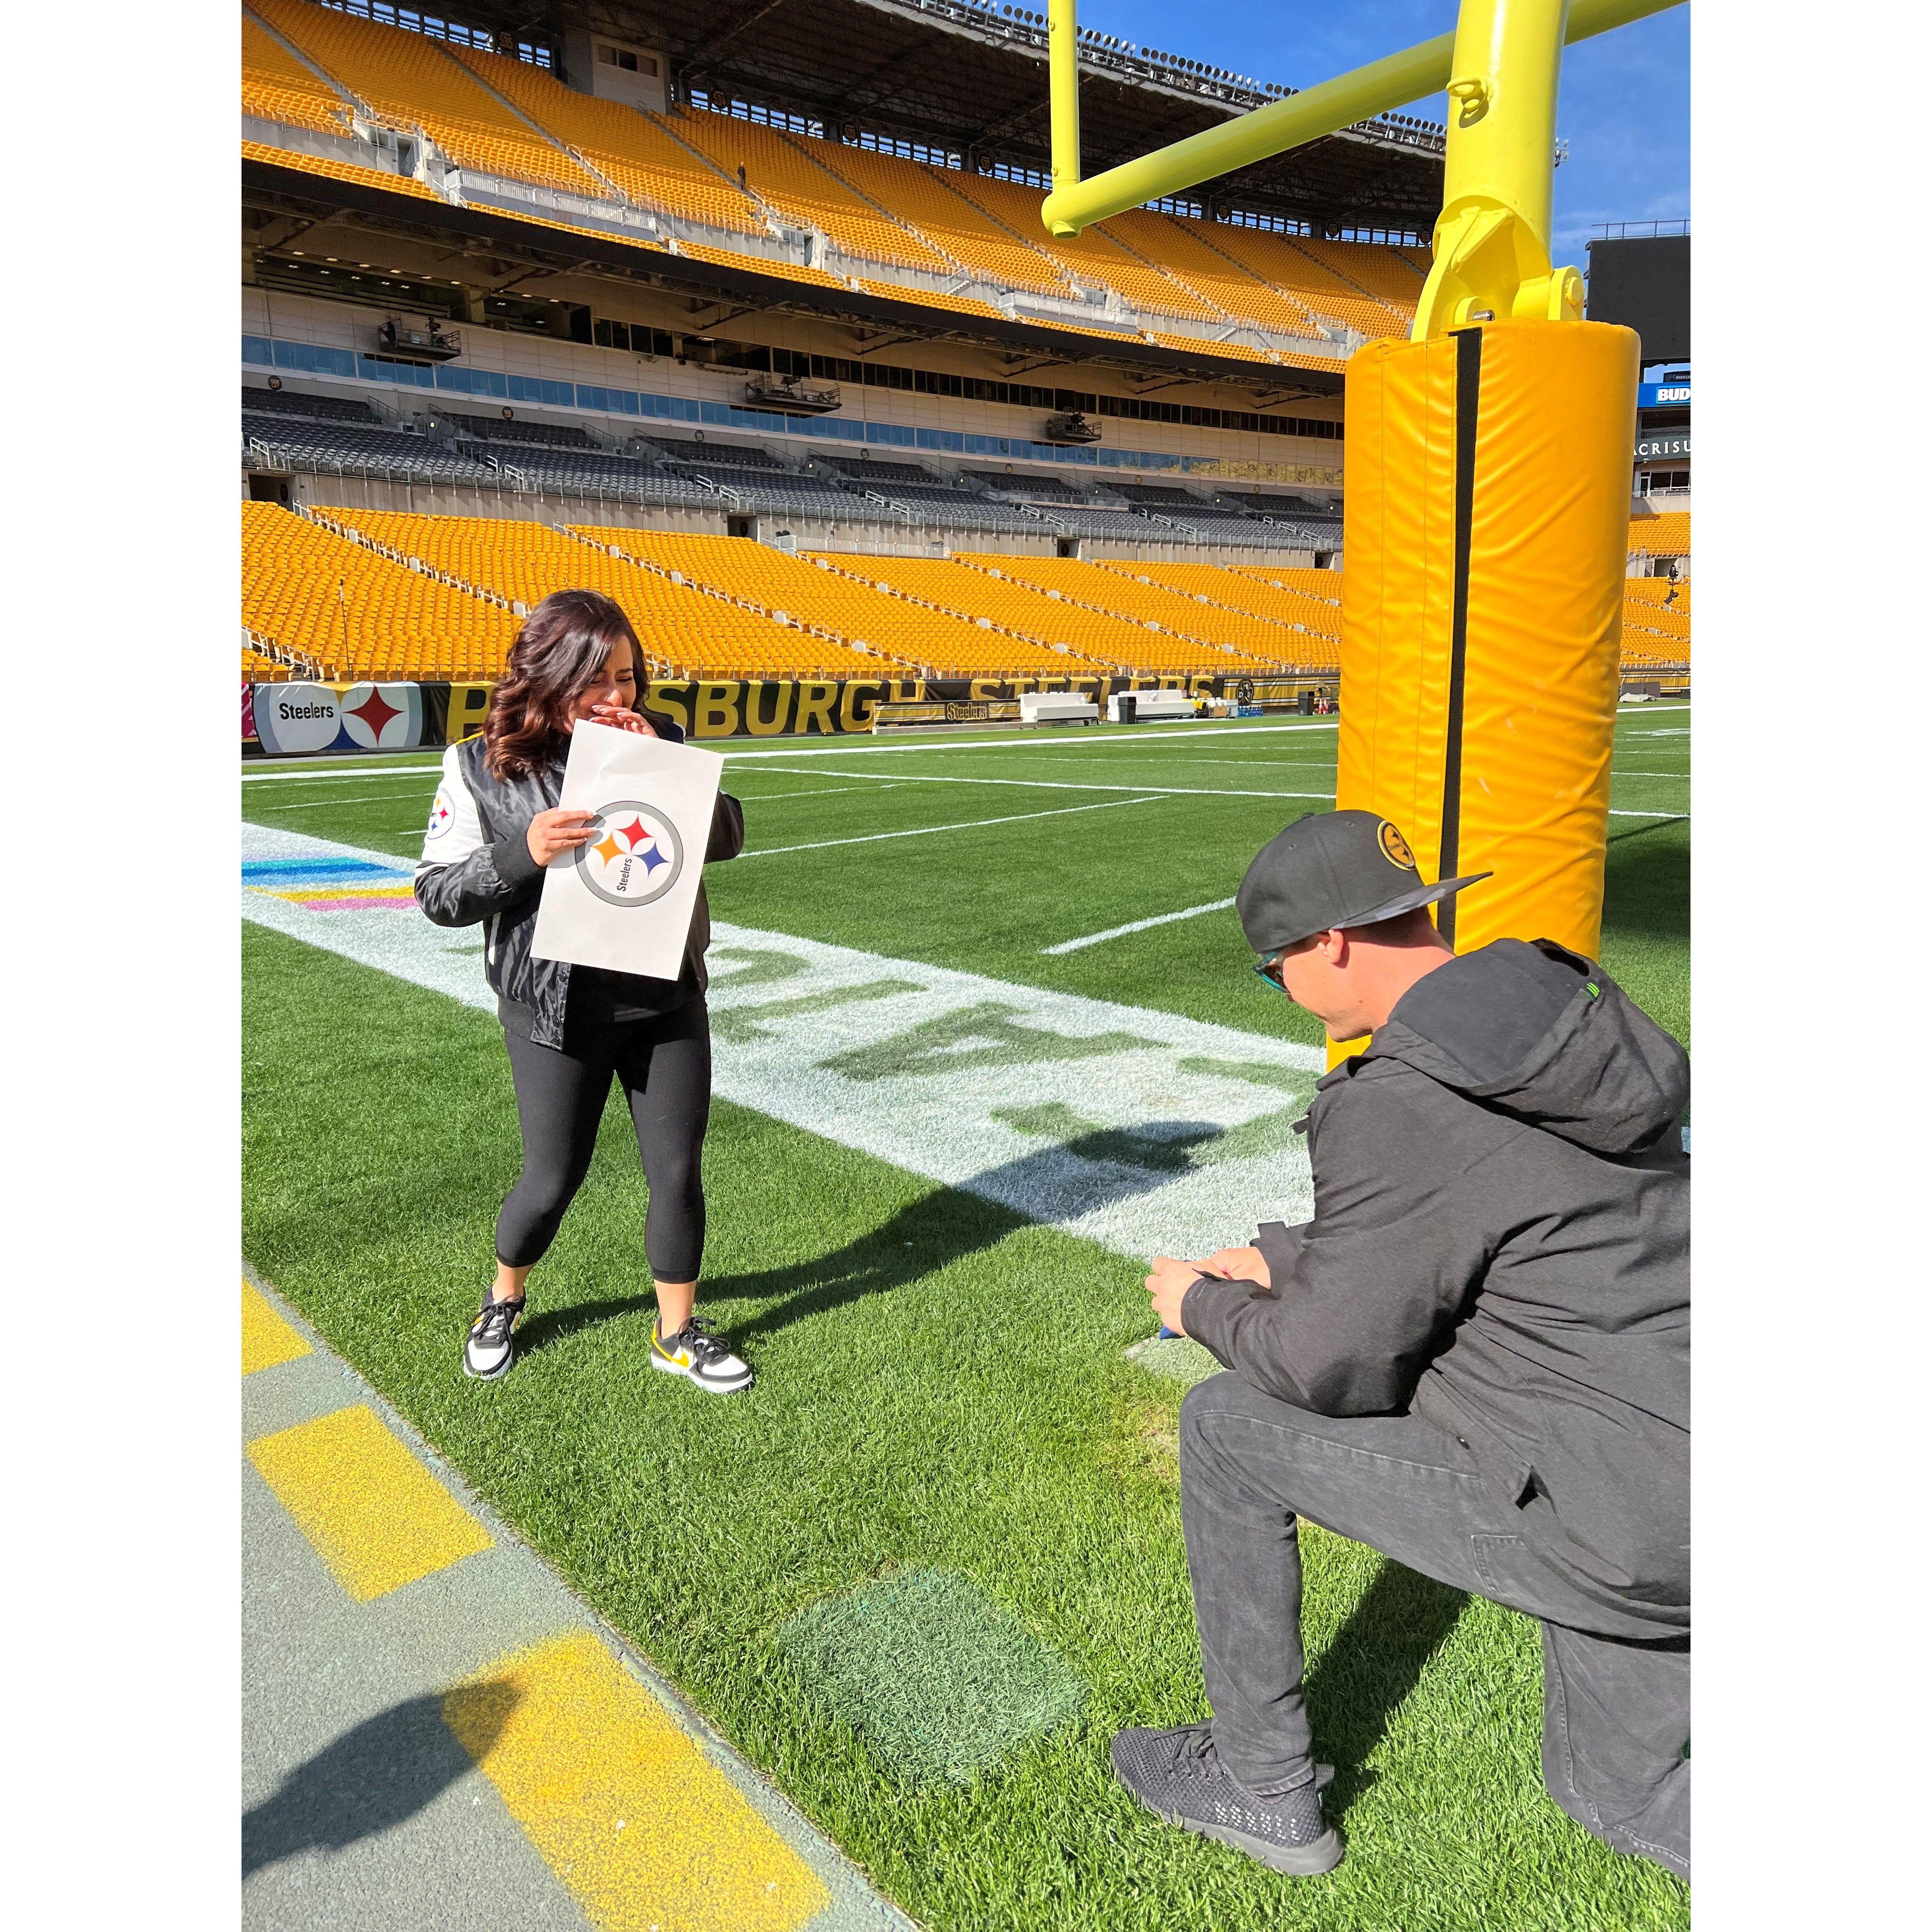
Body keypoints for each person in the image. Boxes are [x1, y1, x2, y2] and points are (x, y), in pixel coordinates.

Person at [1111, 810, 1690, 1883]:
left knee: (1227, 1426)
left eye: (1269, 972)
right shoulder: (1563, 1007)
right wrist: (1285, 1257)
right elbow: (1496, 1210)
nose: (1280, 992)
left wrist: (1201, 1306)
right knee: (1619, 1795)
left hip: (1618, 1518)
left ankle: (1261, 1784)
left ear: (1325, 946)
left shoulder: (1402, 1098)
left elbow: (1331, 1366)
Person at [414, 588, 752, 1394]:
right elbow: (437, 896)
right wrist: (522, 852)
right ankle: (503, 1298)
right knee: (551, 1180)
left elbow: (731, 836)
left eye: (628, 678)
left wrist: (662, 768)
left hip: (665, 999)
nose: (616, 698)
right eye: (595, 681)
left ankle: (676, 1331)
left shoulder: (659, 737)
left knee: (677, 1172)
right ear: (546, 676)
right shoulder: (478, 764)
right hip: (551, 1009)